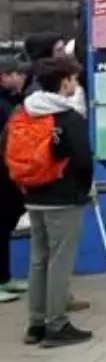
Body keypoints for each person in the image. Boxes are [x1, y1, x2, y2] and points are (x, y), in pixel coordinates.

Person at [4, 57, 93, 347]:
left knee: (38, 260)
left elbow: (5, 147)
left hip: (32, 194)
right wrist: (83, 190)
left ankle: (36, 323)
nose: (76, 84)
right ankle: (57, 324)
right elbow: (82, 159)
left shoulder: (23, 111)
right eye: (74, 79)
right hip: (63, 197)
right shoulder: (69, 117)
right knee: (59, 262)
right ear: (64, 81)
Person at [0, 56, 28, 305]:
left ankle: (5, 277)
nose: (21, 77)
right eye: (15, 73)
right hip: (1, 172)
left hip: (9, 175)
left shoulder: (11, 100)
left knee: (6, 226)